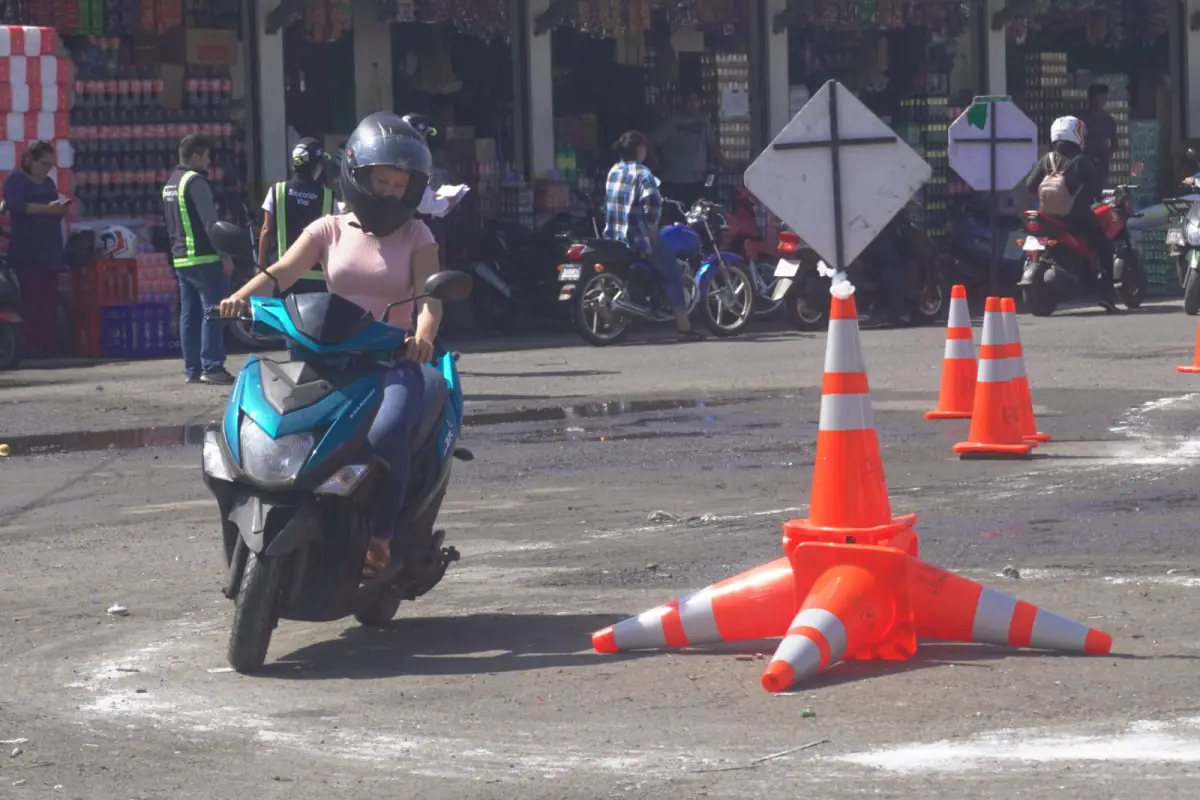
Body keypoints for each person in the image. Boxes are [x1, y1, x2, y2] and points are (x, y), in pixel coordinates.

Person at [217, 112, 442, 578]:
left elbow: (430, 297)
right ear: (358, 176)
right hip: (325, 358)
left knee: (385, 435)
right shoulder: (328, 229)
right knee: (277, 430)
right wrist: (239, 298)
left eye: (401, 185)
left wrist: (422, 338)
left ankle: (380, 537)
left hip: (390, 361)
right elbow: (279, 273)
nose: (391, 193)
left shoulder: (417, 234)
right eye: (382, 180)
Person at [603, 130, 702, 341]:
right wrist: (652, 226)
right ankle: (684, 326)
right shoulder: (643, 173)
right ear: (639, 150)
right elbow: (653, 202)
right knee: (673, 273)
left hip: (613, 235)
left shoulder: (614, 171)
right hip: (637, 236)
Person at [1024, 115, 1119, 312]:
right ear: (1076, 135)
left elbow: (1030, 185)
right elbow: (1095, 189)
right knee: (1104, 247)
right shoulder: (1080, 161)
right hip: (1076, 218)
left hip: (1048, 217)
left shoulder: (1046, 159)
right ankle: (1106, 295)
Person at [163, 134, 236, 384]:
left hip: (182, 260)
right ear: (195, 157)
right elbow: (210, 223)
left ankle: (192, 369)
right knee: (213, 313)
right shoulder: (195, 182)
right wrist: (224, 255)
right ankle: (212, 367)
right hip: (204, 259)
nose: (208, 162)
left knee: (189, 315)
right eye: (206, 157)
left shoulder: (171, 183)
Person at [3, 140, 68, 357]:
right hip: (27, 250)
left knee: (48, 302)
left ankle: (47, 345)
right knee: (31, 301)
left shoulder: (49, 183)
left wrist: (58, 210)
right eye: (44, 163)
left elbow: (52, 208)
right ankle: (29, 346)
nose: (47, 168)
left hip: (49, 249)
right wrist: (46, 210)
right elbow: (16, 205)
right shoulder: (17, 180)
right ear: (30, 159)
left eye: (51, 164)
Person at [257, 138, 333, 294]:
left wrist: (261, 266)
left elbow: (266, 230)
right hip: (318, 279)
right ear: (316, 166)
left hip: (281, 275)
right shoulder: (329, 196)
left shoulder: (276, 191)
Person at [651, 90, 720, 210]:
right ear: (683, 102)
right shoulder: (671, 121)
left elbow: (712, 144)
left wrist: (725, 162)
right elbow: (651, 141)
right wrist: (655, 161)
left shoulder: (703, 120)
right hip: (674, 180)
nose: (693, 104)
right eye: (689, 100)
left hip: (697, 180)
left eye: (696, 100)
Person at [1080, 83, 1118, 190]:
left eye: (1103, 98)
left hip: (1101, 165)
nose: (1100, 101)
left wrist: (1105, 155)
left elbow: (1115, 144)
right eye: (1097, 98)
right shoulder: (1081, 119)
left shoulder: (1109, 120)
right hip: (1084, 162)